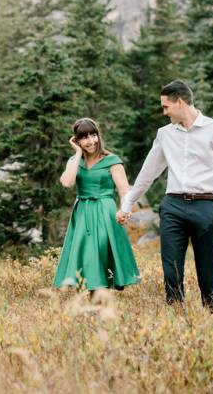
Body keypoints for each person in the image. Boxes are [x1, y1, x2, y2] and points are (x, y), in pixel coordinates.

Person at [119, 80, 213, 309]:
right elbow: (148, 173)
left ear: (181, 102)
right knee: (171, 268)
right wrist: (128, 203)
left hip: (207, 207)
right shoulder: (164, 135)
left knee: (207, 269)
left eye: (166, 107)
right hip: (173, 206)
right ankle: (176, 318)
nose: (164, 112)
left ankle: (212, 315)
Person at [53, 118, 140, 295]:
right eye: (84, 137)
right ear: (77, 141)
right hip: (83, 211)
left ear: (98, 136)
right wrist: (77, 154)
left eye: (93, 135)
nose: (91, 141)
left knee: (100, 249)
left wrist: (125, 209)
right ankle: (90, 295)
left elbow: (124, 190)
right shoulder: (75, 161)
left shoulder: (112, 160)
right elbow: (67, 182)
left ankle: (100, 292)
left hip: (104, 210)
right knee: (84, 251)